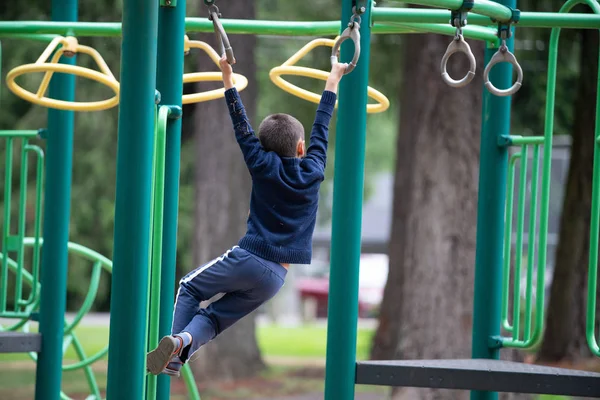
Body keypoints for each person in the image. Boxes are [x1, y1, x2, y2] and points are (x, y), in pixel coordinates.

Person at [146, 56, 348, 377]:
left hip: (250, 258)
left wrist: (227, 79)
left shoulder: (261, 163)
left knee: (188, 287)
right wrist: (333, 78)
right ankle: (180, 346)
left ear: (264, 148)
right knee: (213, 319)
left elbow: (241, 126)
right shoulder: (314, 169)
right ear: (300, 147)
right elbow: (322, 125)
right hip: (275, 279)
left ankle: (173, 352)